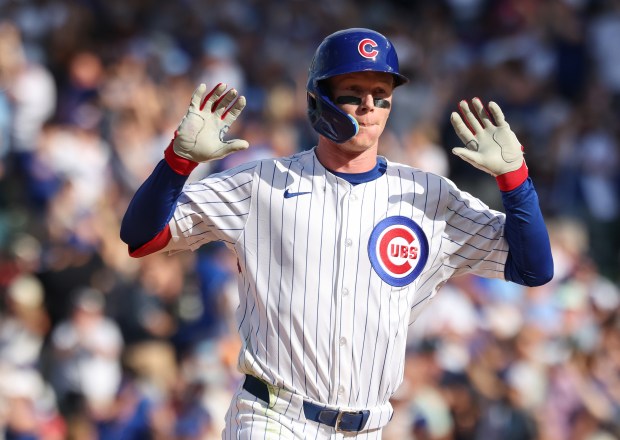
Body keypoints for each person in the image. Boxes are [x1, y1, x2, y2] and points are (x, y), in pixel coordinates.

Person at [120, 28, 553, 439]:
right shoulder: (262, 183)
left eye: (381, 96)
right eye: (353, 94)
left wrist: (515, 178)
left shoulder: (429, 196)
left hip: (369, 425)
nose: (369, 106)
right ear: (319, 101)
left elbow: (533, 267)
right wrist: (178, 160)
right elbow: (142, 236)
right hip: (274, 416)